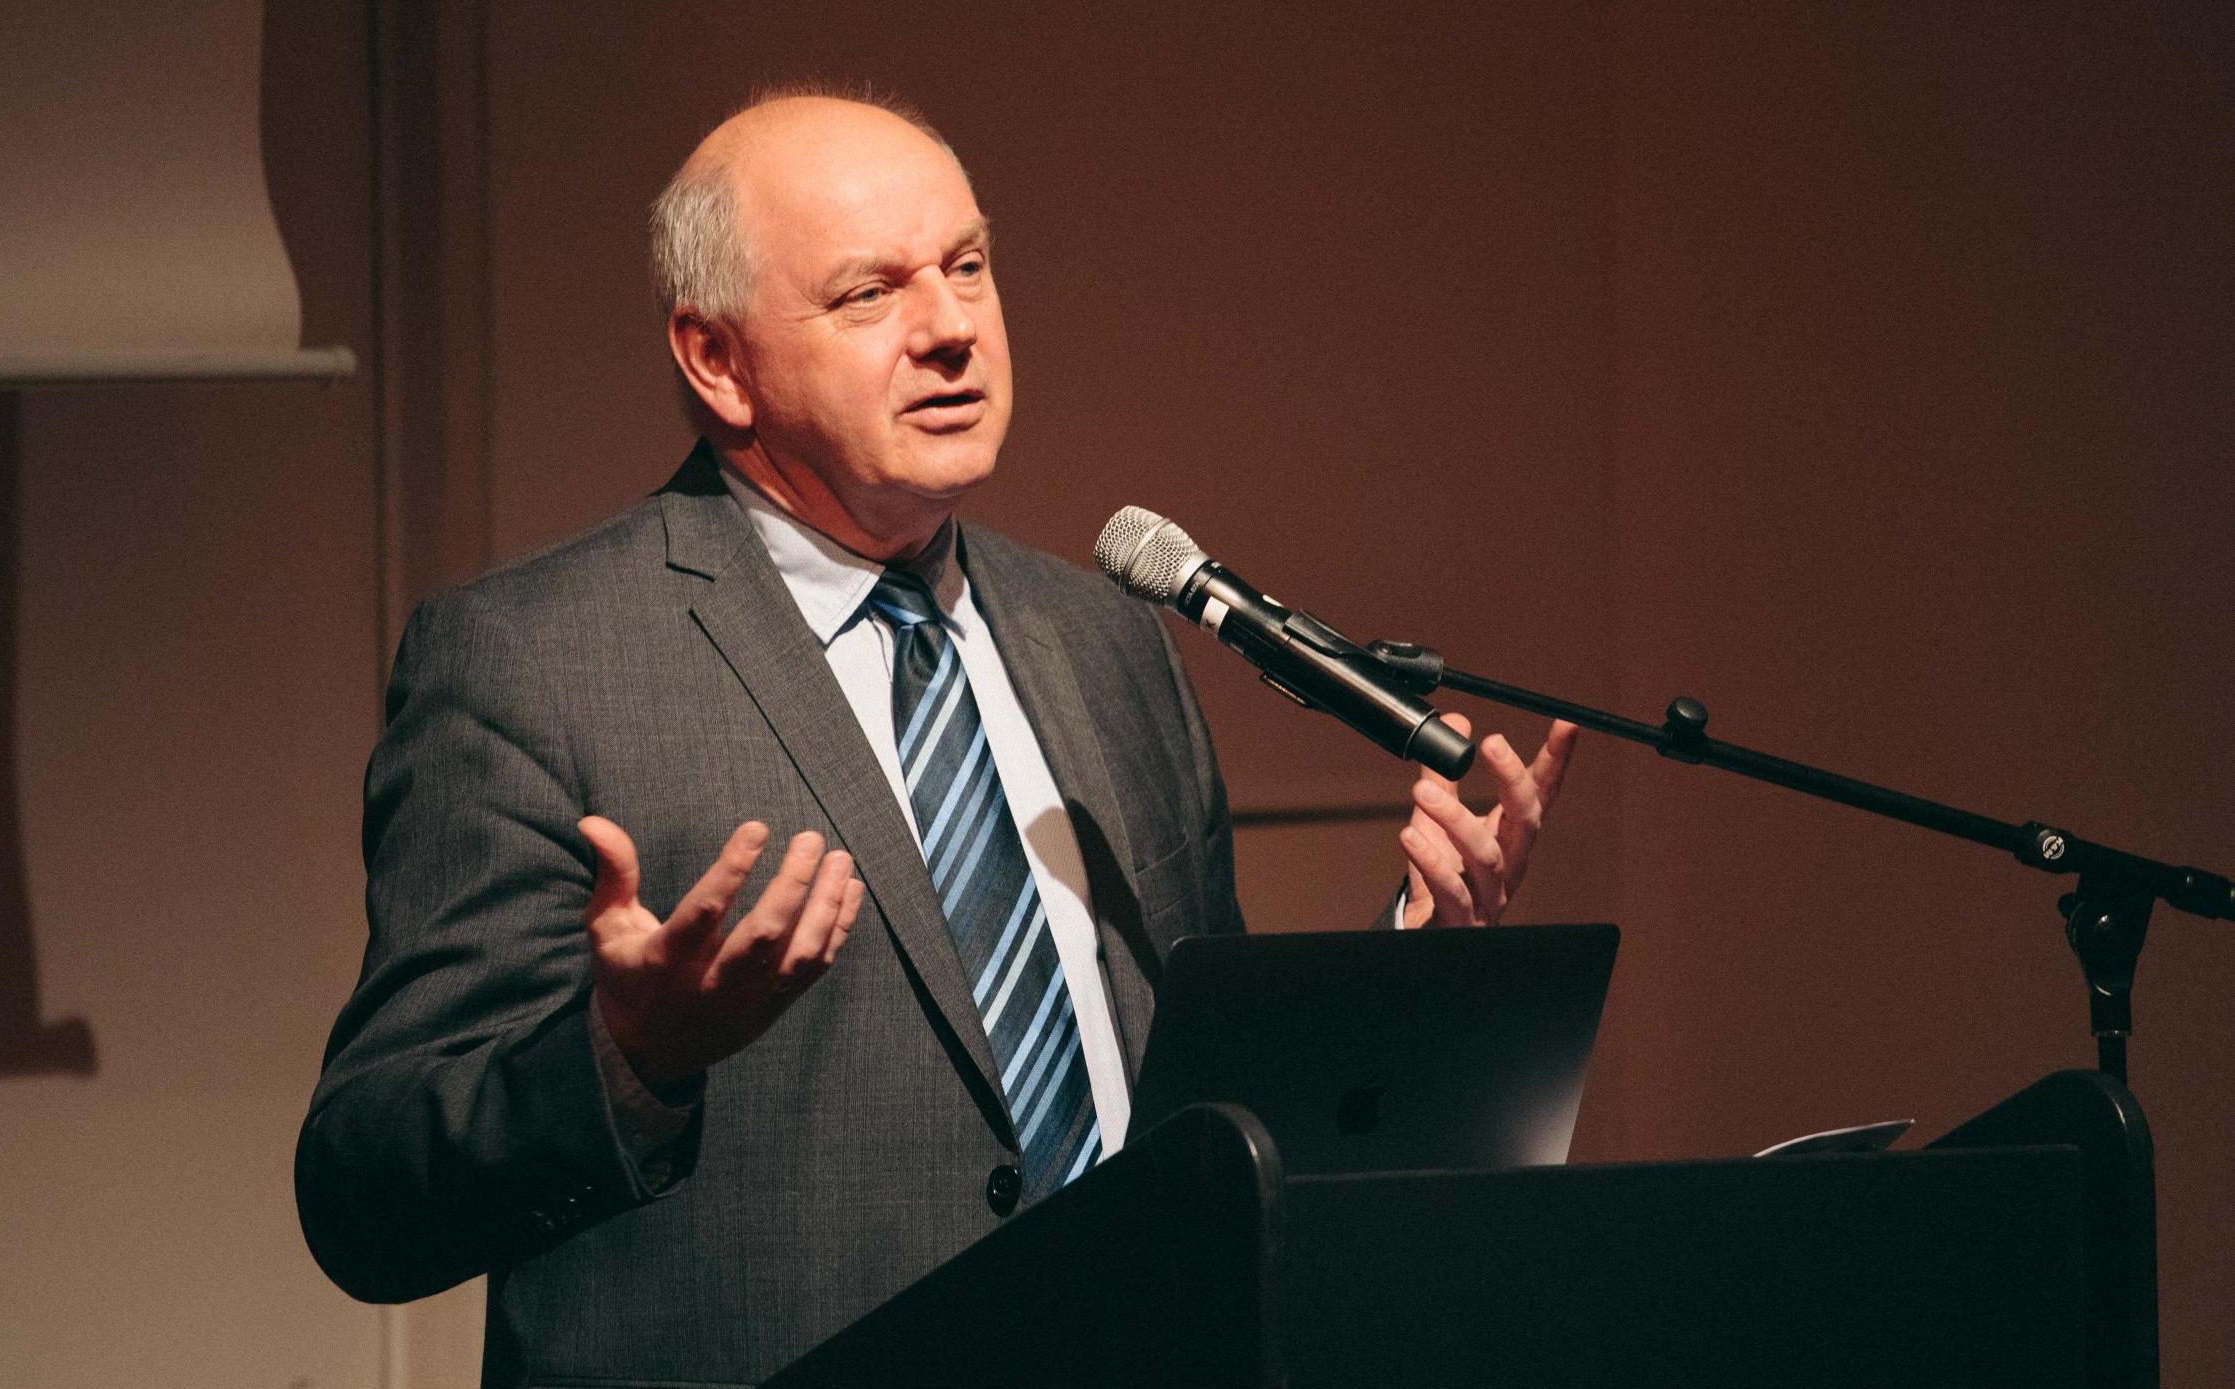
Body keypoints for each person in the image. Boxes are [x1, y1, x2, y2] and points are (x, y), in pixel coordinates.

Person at [296, 89, 1577, 1388]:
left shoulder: (1106, 640)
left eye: (968, 266)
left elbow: (1207, 1113)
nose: (953, 327)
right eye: (870, 293)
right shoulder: (533, 660)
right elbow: (365, 1189)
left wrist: (1410, 965)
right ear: (717, 360)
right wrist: (626, 1063)